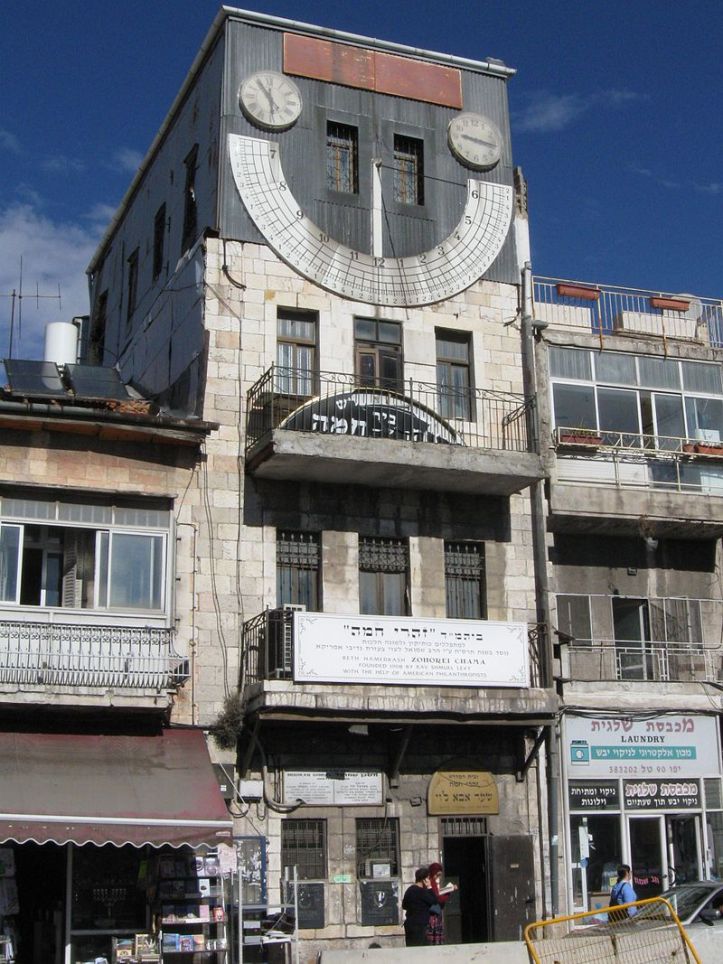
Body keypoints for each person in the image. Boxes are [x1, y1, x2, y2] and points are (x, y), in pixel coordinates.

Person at [402, 866, 438, 946]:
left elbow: (404, 905)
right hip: (420, 925)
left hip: (409, 924)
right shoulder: (422, 892)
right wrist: (429, 887)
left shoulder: (410, 890)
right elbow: (434, 901)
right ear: (424, 879)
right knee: (420, 950)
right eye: (428, 878)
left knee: (411, 949)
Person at [426, 861, 458, 944]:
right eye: (437, 875)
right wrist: (449, 891)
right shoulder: (431, 882)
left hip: (435, 914)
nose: (438, 877)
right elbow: (438, 898)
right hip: (432, 915)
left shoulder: (433, 882)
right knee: (434, 940)